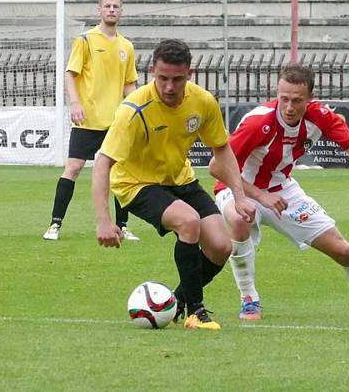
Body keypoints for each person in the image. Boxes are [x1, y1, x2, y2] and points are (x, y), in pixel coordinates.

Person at [213, 63, 349, 320]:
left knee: (341, 249)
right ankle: (249, 299)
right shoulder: (258, 122)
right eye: (283, 98)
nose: (288, 107)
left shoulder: (319, 115)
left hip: (283, 190)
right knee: (239, 216)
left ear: (309, 99)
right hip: (237, 186)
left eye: (296, 101)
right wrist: (259, 196)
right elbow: (218, 167)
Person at [92, 39, 256, 330]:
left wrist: (240, 197)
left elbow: (222, 150)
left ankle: (174, 301)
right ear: (152, 70)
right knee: (189, 221)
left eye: (177, 79)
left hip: (181, 179)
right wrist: (104, 221)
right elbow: (102, 163)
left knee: (220, 247)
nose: (169, 86)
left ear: (189, 74)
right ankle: (197, 312)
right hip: (136, 184)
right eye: (163, 78)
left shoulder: (202, 102)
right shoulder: (133, 110)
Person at [43, 0, 140, 242]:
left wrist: (136, 109)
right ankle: (55, 224)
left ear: (122, 10)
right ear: (99, 10)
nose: (111, 10)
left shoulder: (126, 46)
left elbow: (129, 84)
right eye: (107, 6)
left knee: (120, 171)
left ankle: (123, 226)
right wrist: (75, 102)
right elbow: (70, 73)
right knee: (73, 167)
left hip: (116, 121)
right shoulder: (85, 40)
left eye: (115, 6)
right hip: (88, 119)